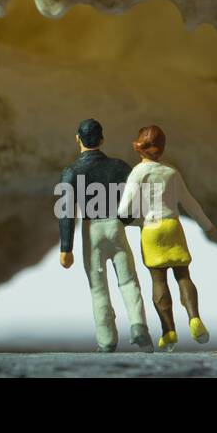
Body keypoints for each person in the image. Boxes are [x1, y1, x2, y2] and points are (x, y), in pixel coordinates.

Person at [56, 118, 153, 353]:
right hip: (115, 226)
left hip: (91, 230)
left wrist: (66, 248)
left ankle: (106, 339)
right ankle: (139, 326)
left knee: (98, 288)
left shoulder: (71, 172)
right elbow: (137, 197)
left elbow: (67, 213)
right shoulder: (119, 167)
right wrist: (128, 221)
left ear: (77, 139)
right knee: (129, 281)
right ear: (102, 139)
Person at [118, 124, 214, 350]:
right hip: (173, 225)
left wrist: (132, 222)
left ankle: (169, 332)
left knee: (158, 281)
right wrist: (207, 225)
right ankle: (195, 319)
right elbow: (190, 202)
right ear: (162, 148)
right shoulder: (172, 172)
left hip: (151, 230)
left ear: (139, 147)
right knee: (183, 275)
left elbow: (123, 211)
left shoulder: (137, 174)